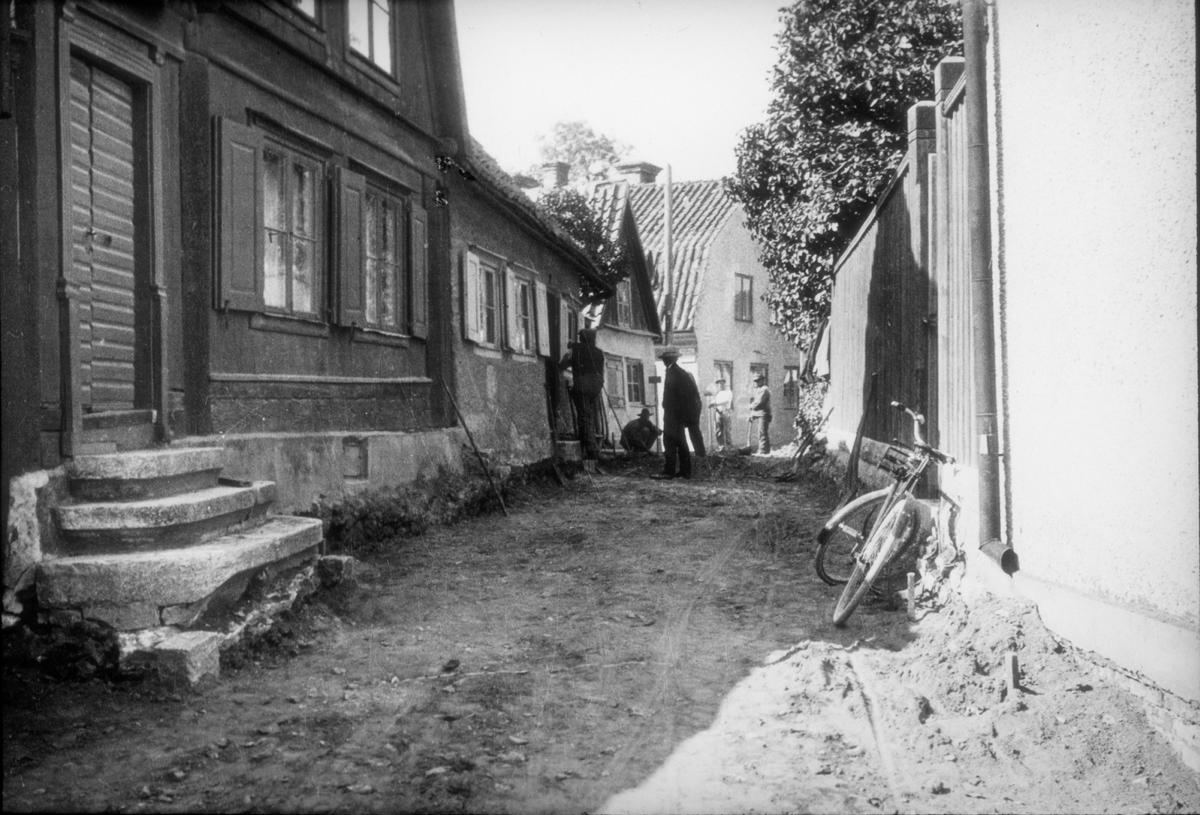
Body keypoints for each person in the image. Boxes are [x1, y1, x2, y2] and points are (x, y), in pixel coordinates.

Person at [655, 346, 704, 479]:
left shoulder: (673, 373)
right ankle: (685, 471)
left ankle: (669, 471)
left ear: (668, 360)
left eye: (665, 359)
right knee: (682, 443)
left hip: (672, 415)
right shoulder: (681, 373)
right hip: (679, 416)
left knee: (669, 443)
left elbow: (675, 397)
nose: (664, 361)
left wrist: (668, 407)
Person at [559, 328, 606, 460]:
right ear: (592, 339)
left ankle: (591, 450)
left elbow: (562, 365)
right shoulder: (599, 353)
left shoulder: (575, 351)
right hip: (596, 386)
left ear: (581, 338)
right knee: (589, 415)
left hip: (583, 386)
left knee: (584, 417)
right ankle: (591, 447)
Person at [749, 371, 772, 454]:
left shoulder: (764, 389)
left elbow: (758, 402)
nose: (757, 382)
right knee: (762, 432)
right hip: (758, 414)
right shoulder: (758, 390)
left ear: (762, 380)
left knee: (761, 433)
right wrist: (752, 414)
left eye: (758, 381)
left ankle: (762, 451)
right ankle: (766, 451)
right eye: (755, 381)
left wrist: (750, 406)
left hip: (764, 414)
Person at [708, 377, 733, 450]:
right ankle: (721, 446)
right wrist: (711, 403)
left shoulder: (728, 392)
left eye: (722, 384)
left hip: (726, 412)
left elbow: (726, 402)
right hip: (718, 412)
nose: (720, 386)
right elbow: (714, 401)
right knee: (718, 430)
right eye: (719, 384)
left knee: (727, 430)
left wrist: (715, 403)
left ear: (724, 384)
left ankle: (729, 446)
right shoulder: (718, 393)